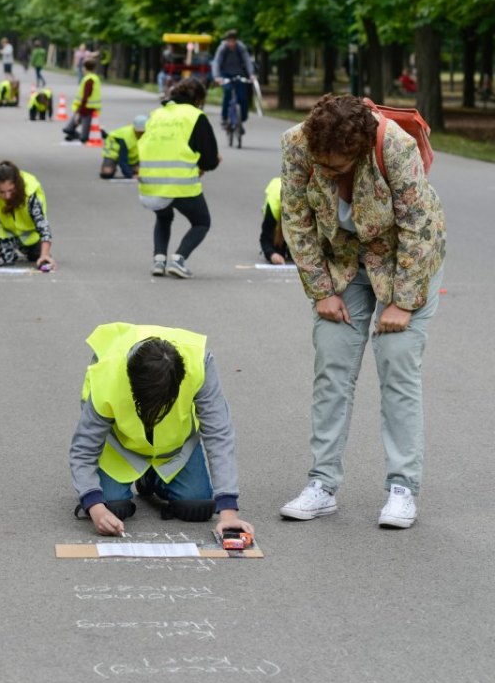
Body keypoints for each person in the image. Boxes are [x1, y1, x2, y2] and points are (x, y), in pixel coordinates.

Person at [277, 94, 446, 529]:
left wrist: (402, 301)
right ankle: (321, 484)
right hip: (343, 261)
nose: (329, 175)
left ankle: (402, 488)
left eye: (338, 167)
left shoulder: (393, 146)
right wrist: (321, 293)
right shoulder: (297, 144)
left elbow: (418, 225)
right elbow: (295, 218)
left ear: (359, 149)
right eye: (323, 166)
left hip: (405, 259)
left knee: (397, 367)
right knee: (332, 366)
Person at [69, 323, 253, 538]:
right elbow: (83, 449)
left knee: (197, 508)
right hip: (121, 450)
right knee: (113, 508)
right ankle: (139, 477)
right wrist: (94, 506)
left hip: (174, 450)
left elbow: (218, 433)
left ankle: (151, 477)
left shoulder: (199, 363)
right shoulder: (107, 374)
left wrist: (229, 512)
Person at [137, 77, 219, 278]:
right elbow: (209, 160)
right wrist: (208, 163)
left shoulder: (156, 114)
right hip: (180, 184)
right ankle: (179, 259)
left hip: (150, 183)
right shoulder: (195, 116)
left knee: (163, 216)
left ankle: (159, 260)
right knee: (201, 222)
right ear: (198, 99)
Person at [0, 160, 55, 269]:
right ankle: (9, 253)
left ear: (17, 185)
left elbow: (43, 226)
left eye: (11, 190)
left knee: (38, 256)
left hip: (30, 237)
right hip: (7, 234)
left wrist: (44, 255)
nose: (7, 196)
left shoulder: (29, 192)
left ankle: (29, 251)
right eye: (1, 192)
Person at [211, 29, 256, 131]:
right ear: (226, 41)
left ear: (236, 41)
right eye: (229, 41)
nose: (231, 43)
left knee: (243, 97)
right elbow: (216, 63)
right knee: (227, 92)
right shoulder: (222, 48)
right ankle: (224, 117)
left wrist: (251, 74)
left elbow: (247, 61)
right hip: (225, 75)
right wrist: (217, 77)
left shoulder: (241, 48)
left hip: (238, 74)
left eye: (233, 41)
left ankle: (241, 119)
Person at [62, 58, 102, 142]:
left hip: (87, 109)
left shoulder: (89, 80)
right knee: (67, 129)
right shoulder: (91, 78)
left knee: (84, 137)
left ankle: (101, 134)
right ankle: (75, 135)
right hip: (83, 107)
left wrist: (79, 111)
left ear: (85, 68)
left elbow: (86, 96)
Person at [100, 115, 147, 179]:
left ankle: (132, 169)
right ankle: (112, 167)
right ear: (134, 129)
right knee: (107, 173)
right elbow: (122, 160)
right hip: (113, 152)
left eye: (143, 132)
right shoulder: (126, 137)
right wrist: (130, 176)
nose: (141, 135)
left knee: (141, 171)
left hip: (130, 155)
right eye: (139, 132)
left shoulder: (148, 135)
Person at [258, 177, 290, 264]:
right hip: (277, 195)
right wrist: (272, 254)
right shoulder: (274, 207)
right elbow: (264, 238)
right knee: (278, 251)